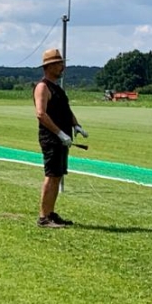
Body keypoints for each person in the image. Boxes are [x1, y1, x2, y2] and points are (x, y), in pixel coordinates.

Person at [33, 48, 88, 228]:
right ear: (49, 66)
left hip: (62, 139)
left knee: (57, 176)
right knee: (51, 176)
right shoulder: (42, 87)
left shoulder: (58, 89)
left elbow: (66, 110)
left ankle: (51, 213)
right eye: (58, 64)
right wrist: (59, 133)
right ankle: (43, 217)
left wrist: (76, 125)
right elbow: (41, 114)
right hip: (51, 139)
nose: (62, 67)